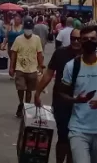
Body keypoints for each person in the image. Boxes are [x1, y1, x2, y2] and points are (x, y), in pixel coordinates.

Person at [60, 26, 97, 163]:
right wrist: (75, 100)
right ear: (80, 41)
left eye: (92, 39)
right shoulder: (71, 66)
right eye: (85, 39)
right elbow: (62, 93)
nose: (89, 41)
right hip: (78, 129)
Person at [34, 29, 83, 163]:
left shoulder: (88, 55)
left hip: (81, 104)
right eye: (73, 38)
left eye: (79, 39)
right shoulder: (61, 53)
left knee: (76, 137)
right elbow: (48, 74)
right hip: (61, 101)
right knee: (63, 136)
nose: (76, 41)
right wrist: (38, 92)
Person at [9, 16, 44, 117]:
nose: (28, 31)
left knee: (29, 90)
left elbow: (39, 53)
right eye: (26, 29)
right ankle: (21, 102)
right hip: (20, 68)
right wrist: (11, 67)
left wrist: (41, 66)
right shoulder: (18, 39)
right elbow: (14, 53)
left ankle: (26, 106)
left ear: (32, 29)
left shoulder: (36, 39)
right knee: (20, 88)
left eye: (29, 29)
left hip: (32, 69)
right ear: (24, 29)